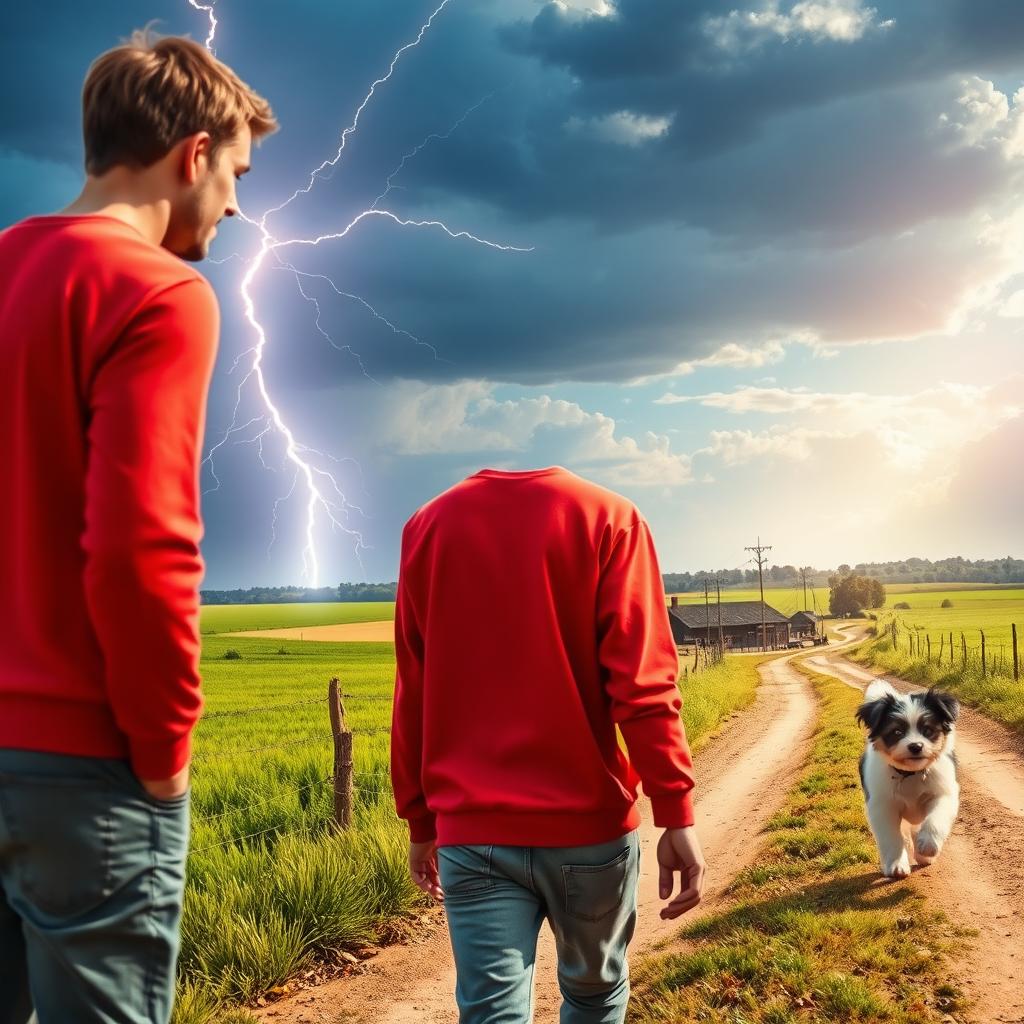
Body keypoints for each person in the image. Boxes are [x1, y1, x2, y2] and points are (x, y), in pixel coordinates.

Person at [0, 31, 275, 1024]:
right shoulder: (156, 290)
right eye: (237, 172)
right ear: (190, 155)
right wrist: (161, 749)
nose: (238, 204)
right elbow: (137, 547)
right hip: (82, 764)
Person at [391, 466, 706, 1024]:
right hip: (590, 833)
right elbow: (643, 687)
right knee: (594, 995)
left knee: (490, 1014)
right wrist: (674, 810)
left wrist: (421, 821)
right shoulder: (612, 520)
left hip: (473, 832)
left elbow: (413, 688)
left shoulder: (427, 527)